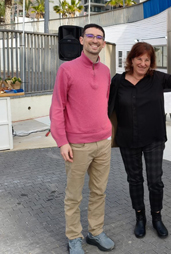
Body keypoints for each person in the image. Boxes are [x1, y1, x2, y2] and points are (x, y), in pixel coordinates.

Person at [108, 39, 171, 239]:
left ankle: (157, 217)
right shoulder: (118, 81)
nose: (143, 63)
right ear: (131, 59)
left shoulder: (157, 78)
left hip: (153, 139)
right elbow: (107, 106)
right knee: (134, 180)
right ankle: (140, 218)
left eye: (147, 59)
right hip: (127, 139)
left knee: (155, 181)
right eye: (139, 59)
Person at [50, 24, 115, 254]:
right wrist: (62, 141)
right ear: (81, 40)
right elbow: (57, 108)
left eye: (99, 37)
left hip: (103, 142)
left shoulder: (107, 71)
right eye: (90, 36)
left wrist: (108, 134)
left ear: (103, 43)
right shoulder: (67, 70)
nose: (94, 40)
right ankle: (73, 237)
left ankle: (95, 232)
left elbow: (104, 103)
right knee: (74, 195)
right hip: (77, 145)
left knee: (99, 191)